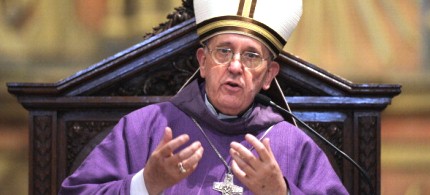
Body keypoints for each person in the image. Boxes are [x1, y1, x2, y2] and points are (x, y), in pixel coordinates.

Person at [60, 0, 349, 194]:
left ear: (269, 75)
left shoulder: (295, 146)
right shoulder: (145, 127)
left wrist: (281, 193)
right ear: (203, 61)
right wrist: (144, 184)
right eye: (223, 51)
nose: (235, 66)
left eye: (251, 56)